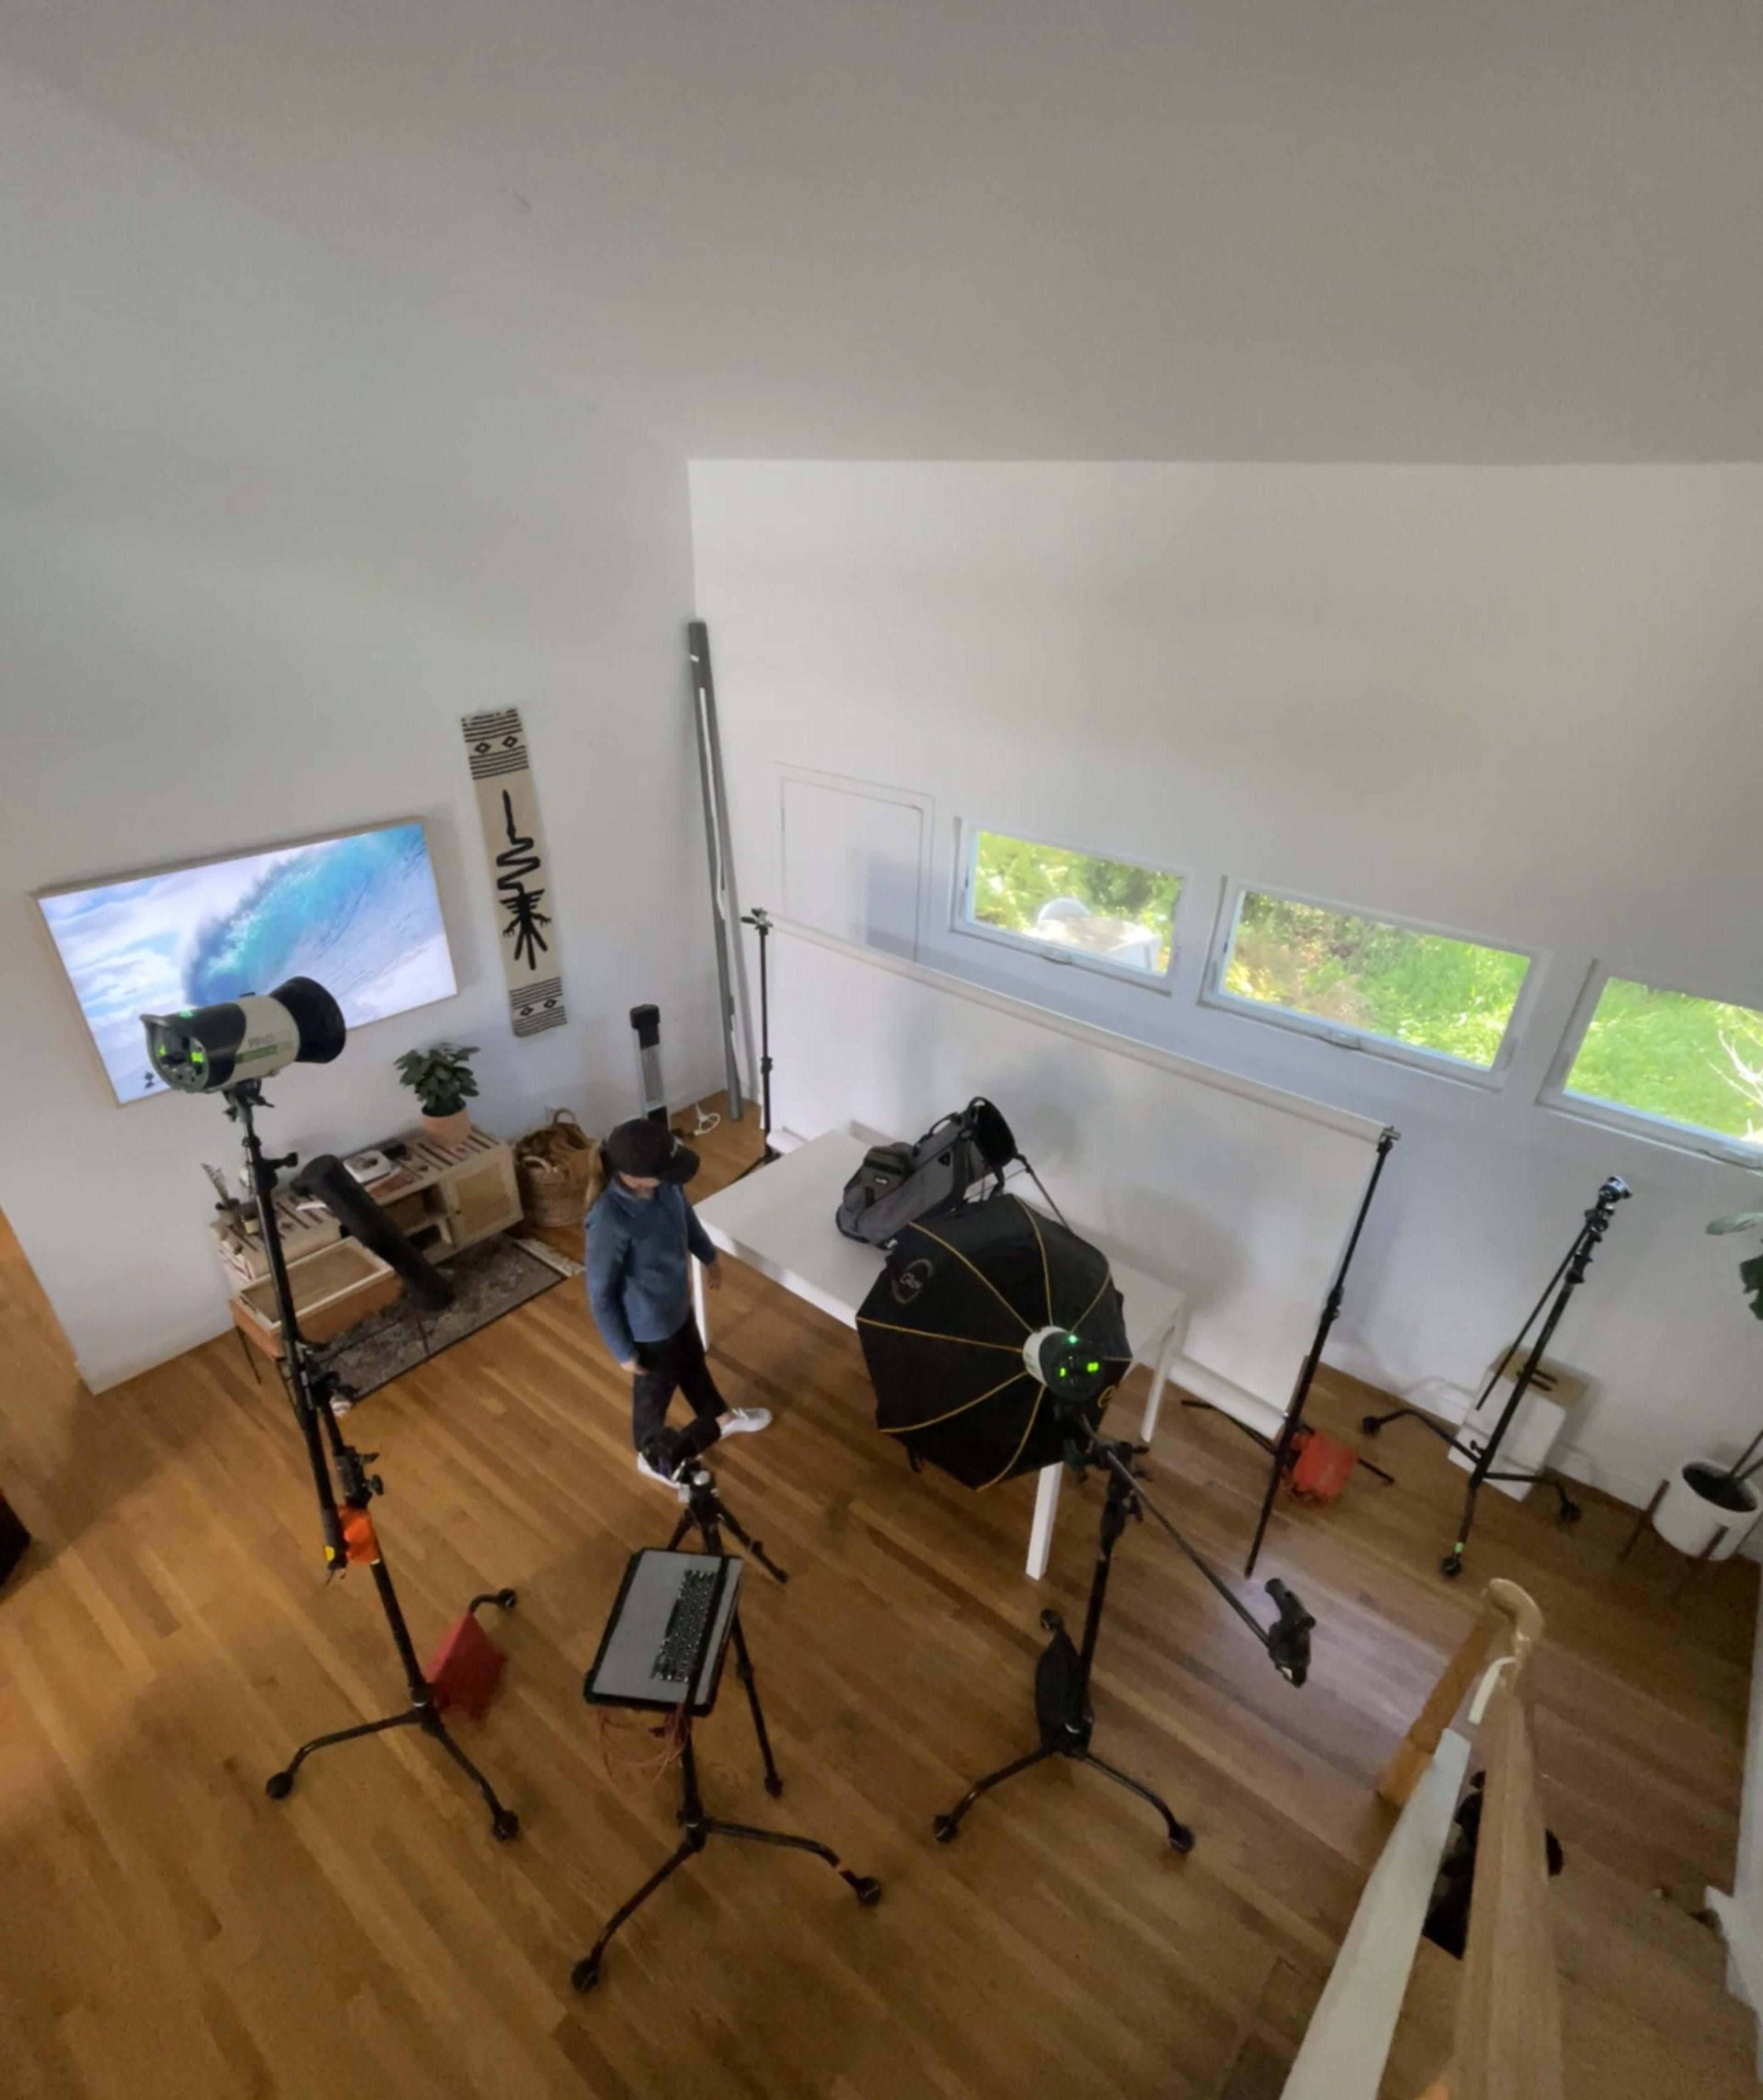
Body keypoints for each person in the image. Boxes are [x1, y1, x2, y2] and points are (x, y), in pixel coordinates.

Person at [585, 1118, 771, 1485]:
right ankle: (650, 1454)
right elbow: (600, 1292)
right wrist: (622, 1351)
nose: (674, 1177)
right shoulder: (609, 1220)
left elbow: (687, 1219)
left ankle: (720, 1418)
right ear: (634, 1177)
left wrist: (709, 1256)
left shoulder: (666, 1187)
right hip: (649, 1331)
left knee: (693, 1364)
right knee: (654, 1396)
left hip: (678, 1308)